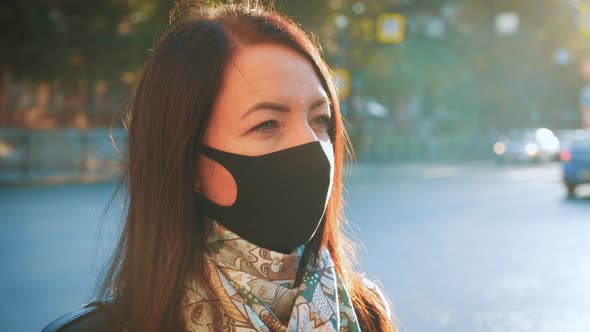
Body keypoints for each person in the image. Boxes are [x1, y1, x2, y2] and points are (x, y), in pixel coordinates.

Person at [43, 1, 395, 331]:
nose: (312, 146)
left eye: (320, 119)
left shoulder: (367, 316)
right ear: (187, 159)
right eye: (267, 124)